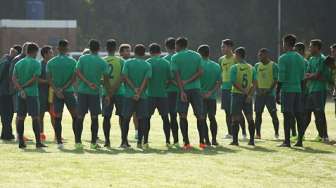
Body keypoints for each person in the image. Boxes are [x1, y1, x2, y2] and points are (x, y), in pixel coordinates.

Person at [171, 37, 207, 150]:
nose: (174, 48)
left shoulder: (175, 57)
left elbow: (177, 75)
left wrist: (182, 90)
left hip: (183, 90)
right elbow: (201, 72)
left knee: (182, 115)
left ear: (178, 45)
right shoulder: (197, 55)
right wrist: (190, 80)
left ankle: (186, 143)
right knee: (200, 115)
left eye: (175, 46)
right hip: (196, 89)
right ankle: (202, 142)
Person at [75, 39, 110, 149]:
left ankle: (78, 142)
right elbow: (105, 80)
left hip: (82, 91)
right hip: (94, 93)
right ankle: (93, 143)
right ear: (99, 49)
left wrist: (87, 82)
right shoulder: (102, 62)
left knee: (80, 117)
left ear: (89, 48)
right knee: (94, 117)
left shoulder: (82, 58)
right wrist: (107, 94)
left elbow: (77, 72)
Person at [12, 42, 47, 149]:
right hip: (32, 94)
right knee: (35, 118)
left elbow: (13, 78)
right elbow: (34, 79)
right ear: (35, 52)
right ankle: (38, 142)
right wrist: (25, 86)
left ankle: (21, 142)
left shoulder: (19, 63)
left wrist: (21, 88)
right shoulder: (36, 63)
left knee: (21, 117)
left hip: (20, 94)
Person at [47, 40, 78, 149]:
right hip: (68, 92)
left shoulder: (51, 62)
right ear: (67, 48)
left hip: (56, 93)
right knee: (75, 116)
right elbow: (74, 78)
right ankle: (77, 141)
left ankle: (59, 142)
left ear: (58, 48)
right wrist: (64, 88)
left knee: (57, 118)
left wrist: (57, 90)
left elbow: (49, 79)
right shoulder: (73, 61)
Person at [277, 34, 305, 147]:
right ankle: (300, 141)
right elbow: (303, 77)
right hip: (298, 89)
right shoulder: (300, 58)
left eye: (283, 43)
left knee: (287, 116)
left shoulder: (283, 58)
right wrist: (302, 91)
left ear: (286, 43)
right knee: (299, 115)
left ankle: (287, 141)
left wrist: (277, 93)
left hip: (287, 90)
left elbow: (281, 77)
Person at [121, 44, 151, 149]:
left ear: (134, 52)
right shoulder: (147, 65)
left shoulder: (128, 63)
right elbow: (146, 80)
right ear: (144, 53)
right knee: (142, 119)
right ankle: (139, 142)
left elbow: (125, 76)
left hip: (129, 95)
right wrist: (139, 92)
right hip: (142, 96)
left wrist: (134, 89)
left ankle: (124, 142)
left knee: (126, 118)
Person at [304, 39, 331, 143]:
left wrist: (313, 76)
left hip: (320, 90)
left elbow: (318, 75)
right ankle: (316, 135)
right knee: (307, 113)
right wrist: (313, 76)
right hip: (311, 90)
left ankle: (324, 136)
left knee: (319, 113)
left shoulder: (322, 59)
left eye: (311, 46)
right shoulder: (311, 59)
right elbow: (309, 74)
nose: (309, 48)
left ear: (316, 47)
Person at [219, 39, 247, 140]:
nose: (222, 48)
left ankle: (243, 132)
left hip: (235, 89)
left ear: (230, 47)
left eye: (224, 46)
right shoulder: (221, 59)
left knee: (237, 112)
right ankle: (230, 133)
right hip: (225, 89)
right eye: (222, 46)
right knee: (227, 112)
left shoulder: (236, 58)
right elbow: (221, 72)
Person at [229, 47, 256, 146]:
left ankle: (235, 141)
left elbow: (233, 82)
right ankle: (252, 140)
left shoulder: (234, 67)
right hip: (248, 96)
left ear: (238, 55)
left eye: (235, 55)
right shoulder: (251, 67)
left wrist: (243, 91)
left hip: (237, 94)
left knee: (235, 118)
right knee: (250, 117)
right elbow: (255, 82)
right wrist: (249, 94)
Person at [146, 43, 171, 147]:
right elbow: (170, 79)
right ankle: (168, 141)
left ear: (150, 52)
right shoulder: (166, 63)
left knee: (146, 118)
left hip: (150, 94)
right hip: (163, 94)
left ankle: (145, 141)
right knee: (165, 118)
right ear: (160, 52)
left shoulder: (147, 62)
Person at [102, 39, 125, 147]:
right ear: (116, 49)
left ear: (106, 48)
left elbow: (102, 78)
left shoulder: (103, 61)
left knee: (106, 117)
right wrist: (114, 89)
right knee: (122, 116)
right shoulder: (121, 61)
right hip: (119, 92)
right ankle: (124, 141)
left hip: (106, 93)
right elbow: (122, 77)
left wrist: (109, 91)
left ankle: (107, 141)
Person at [198, 45, 221, 146]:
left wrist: (202, 93)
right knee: (212, 117)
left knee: (202, 118)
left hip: (200, 96)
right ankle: (214, 139)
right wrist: (211, 92)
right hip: (211, 96)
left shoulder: (198, 65)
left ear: (199, 54)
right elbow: (219, 82)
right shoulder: (216, 65)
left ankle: (206, 140)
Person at [254, 48, 279, 139]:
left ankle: (276, 133)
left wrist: (269, 90)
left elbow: (276, 79)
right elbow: (255, 79)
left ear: (266, 55)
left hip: (269, 95)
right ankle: (258, 134)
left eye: (261, 55)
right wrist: (257, 90)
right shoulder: (257, 66)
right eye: (259, 55)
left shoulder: (273, 65)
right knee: (258, 114)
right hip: (259, 94)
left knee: (273, 114)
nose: (259, 57)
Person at [0, 45, 21, 140]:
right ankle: (7, 134)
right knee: (7, 114)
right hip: (5, 92)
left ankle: (5, 133)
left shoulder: (3, 61)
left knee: (6, 114)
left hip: (4, 92)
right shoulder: (7, 63)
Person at [119, 44, 139, 140]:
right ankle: (123, 133)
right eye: (126, 50)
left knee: (135, 113)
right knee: (123, 115)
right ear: (121, 52)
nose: (128, 52)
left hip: (132, 92)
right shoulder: (119, 62)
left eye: (129, 50)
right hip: (122, 92)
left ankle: (137, 132)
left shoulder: (132, 62)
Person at [163, 37, 179, 145]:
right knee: (175, 116)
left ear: (166, 47)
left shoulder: (164, 60)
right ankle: (177, 140)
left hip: (167, 91)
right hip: (179, 90)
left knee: (165, 117)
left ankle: (168, 140)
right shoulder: (179, 58)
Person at [39, 45, 55, 142]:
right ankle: (41, 134)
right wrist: (47, 82)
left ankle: (57, 135)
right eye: (51, 52)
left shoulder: (52, 64)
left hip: (52, 93)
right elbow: (36, 79)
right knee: (40, 115)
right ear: (45, 54)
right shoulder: (39, 65)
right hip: (41, 93)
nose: (52, 54)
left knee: (54, 114)